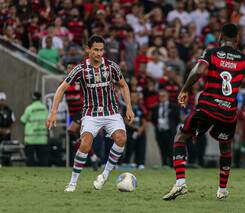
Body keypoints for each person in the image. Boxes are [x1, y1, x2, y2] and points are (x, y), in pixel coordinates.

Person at [162, 23, 245, 200]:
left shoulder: (212, 53)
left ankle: (180, 183)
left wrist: (185, 89)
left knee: (181, 136)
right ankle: (222, 190)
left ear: (220, 37)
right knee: (225, 147)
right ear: (237, 39)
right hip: (228, 112)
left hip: (207, 106)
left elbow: (198, 71)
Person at [46, 35, 134, 192]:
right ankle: (72, 183)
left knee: (121, 139)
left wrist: (129, 107)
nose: (99, 54)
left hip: (111, 111)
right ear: (88, 49)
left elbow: (124, 85)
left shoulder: (111, 66)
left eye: (101, 50)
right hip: (90, 113)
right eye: (96, 50)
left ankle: (104, 175)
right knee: (85, 144)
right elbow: (61, 88)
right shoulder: (80, 69)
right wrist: (53, 112)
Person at [151, 90, 180, 167]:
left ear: (167, 96)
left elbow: (177, 119)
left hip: (169, 131)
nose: (162, 98)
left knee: (170, 148)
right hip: (160, 131)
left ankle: (172, 165)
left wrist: (172, 127)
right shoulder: (156, 107)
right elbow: (153, 119)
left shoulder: (173, 106)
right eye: (160, 96)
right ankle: (164, 164)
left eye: (164, 96)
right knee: (162, 148)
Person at [20, 92, 49, 166]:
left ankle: (30, 175)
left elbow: (23, 120)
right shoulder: (44, 108)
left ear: (32, 98)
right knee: (43, 159)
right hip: (42, 138)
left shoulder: (29, 108)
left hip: (31, 138)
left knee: (30, 159)